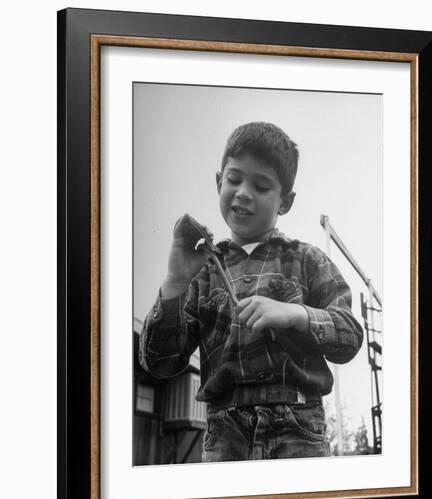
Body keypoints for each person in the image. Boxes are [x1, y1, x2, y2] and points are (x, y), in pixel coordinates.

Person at [139, 121, 363, 462]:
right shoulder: (202, 273)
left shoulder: (308, 259)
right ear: (219, 182)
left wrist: (294, 314)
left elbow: (350, 336)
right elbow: (159, 364)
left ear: (285, 201)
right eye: (234, 179)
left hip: (299, 429)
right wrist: (174, 282)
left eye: (261, 186)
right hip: (223, 435)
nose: (243, 192)